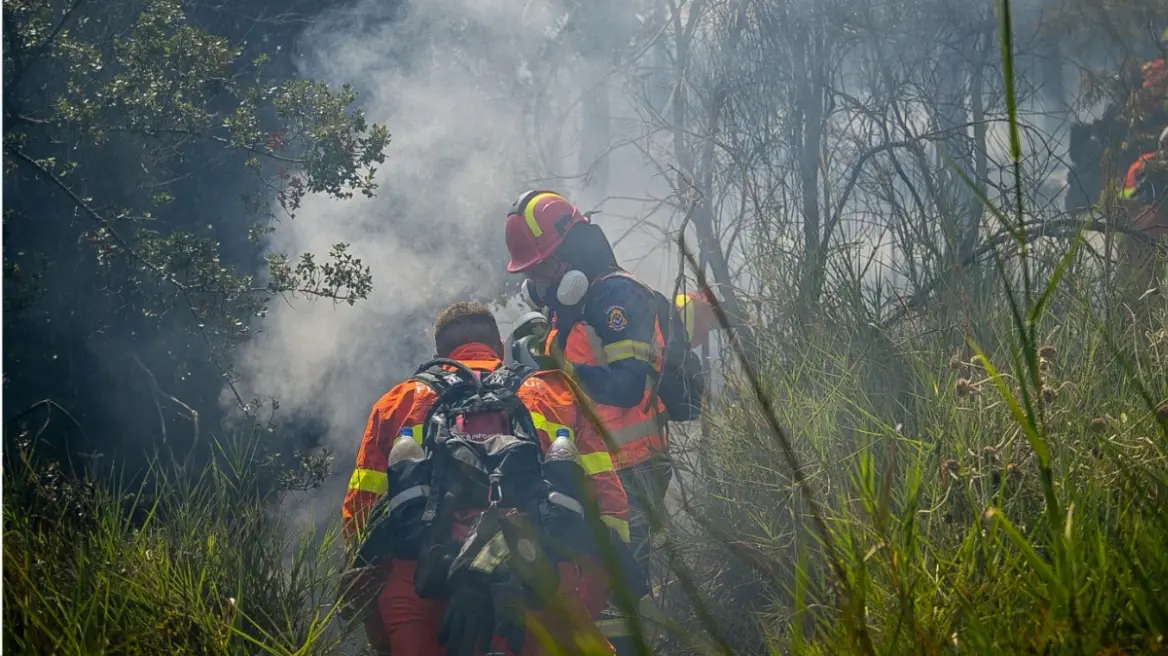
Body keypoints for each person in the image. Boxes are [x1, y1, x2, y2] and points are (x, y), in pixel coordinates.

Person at [340, 301, 632, 656]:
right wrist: (581, 597)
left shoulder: (396, 404)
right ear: (500, 347)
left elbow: (361, 521)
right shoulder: (556, 394)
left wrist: (379, 623)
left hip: (423, 588)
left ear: (440, 356)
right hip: (539, 579)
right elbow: (609, 505)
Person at [503, 190, 707, 653]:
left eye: (543, 268)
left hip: (633, 468)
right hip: (595, 469)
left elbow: (628, 385)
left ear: (572, 251)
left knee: (618, 591)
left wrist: (557, 370)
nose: (539, 283)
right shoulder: (572, 305)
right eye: (532, 274)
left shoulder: (617, 296)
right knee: (586, 587)